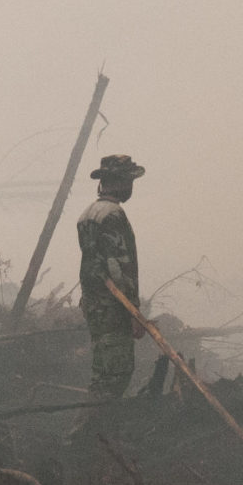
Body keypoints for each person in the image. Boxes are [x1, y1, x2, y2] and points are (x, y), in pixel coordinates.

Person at [77, 154, 145, 399]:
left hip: (94, 304)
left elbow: (92, 264)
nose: (131, 188)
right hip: (113, 307)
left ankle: (100, 431)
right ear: (120, 182)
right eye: (130, 182)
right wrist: (133, 311)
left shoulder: (88, 213)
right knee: (115, 375)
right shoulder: (114, 214)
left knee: (102, 369)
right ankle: (89, 431)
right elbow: (119, 267)